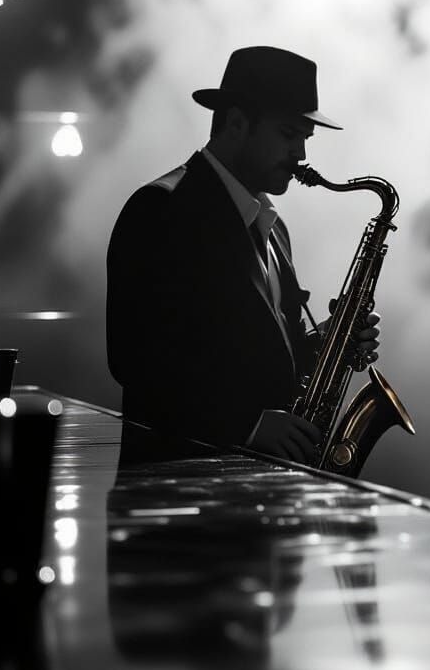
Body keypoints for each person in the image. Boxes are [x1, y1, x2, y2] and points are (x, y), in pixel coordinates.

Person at [106, 46, 380, 464]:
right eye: (288, 135)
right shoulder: (160, 208)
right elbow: (135, 361)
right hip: (177, 494)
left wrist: (329, 342)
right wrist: (247, 425)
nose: (302, 156)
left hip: (252, 492)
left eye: (304, 139)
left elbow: (248, 355)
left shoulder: (273, 229)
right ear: (236, 123)